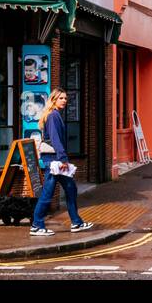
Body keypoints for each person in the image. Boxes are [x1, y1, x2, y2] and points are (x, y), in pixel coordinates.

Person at [29, 88, 94, 237]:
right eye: (61, 98)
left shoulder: (55, 115)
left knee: (71, 189)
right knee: (47, 193)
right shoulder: (53, 116)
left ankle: (76, 222)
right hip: (54, 161)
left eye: (65, 98)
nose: (64, 100)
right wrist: (63, 158)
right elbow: (55, 139)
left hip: (55, 160)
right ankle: (37, 225)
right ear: (53, 100)